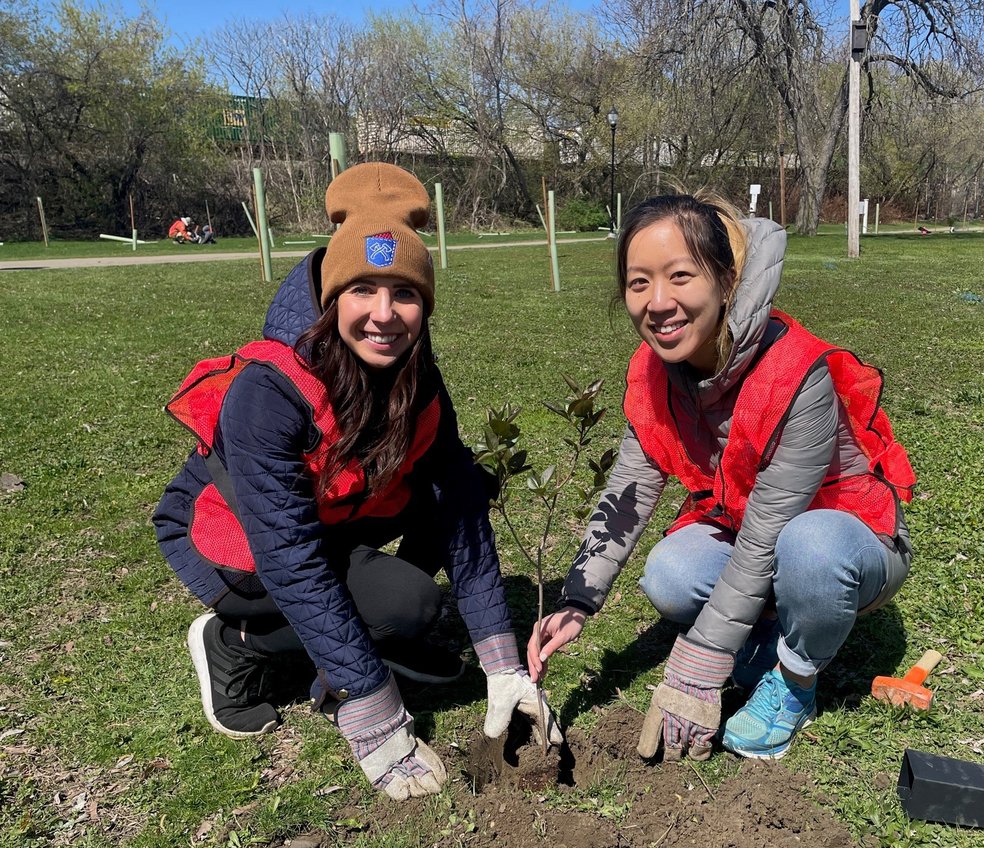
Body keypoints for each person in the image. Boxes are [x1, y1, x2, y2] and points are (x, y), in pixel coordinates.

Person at [154, 163, 559, 802]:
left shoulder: (416, 377)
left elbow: (460, 513)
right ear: (331, 297)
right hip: (235, 539)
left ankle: (354, 643)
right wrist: (373, 713)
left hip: (332, 514)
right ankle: (238, 643)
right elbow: (289, 559)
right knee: (405, 608)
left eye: (404, 293)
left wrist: (504, 667)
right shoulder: (271, 389)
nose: (383, 314)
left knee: (449, 511)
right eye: (362, 290)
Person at [527, 193, 915, 761]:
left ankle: (796, 684)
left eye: (680, 276)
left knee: (809, 550)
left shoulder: (796, 374)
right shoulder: (655, 372)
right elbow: (631, 489)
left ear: (727, 280)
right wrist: (578, 599)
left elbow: (769, 531)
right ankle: (765, 645)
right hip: (753, 530)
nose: (658, 303)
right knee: (670, 573)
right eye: (639, 283)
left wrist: (702, 657)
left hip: (846, 537)